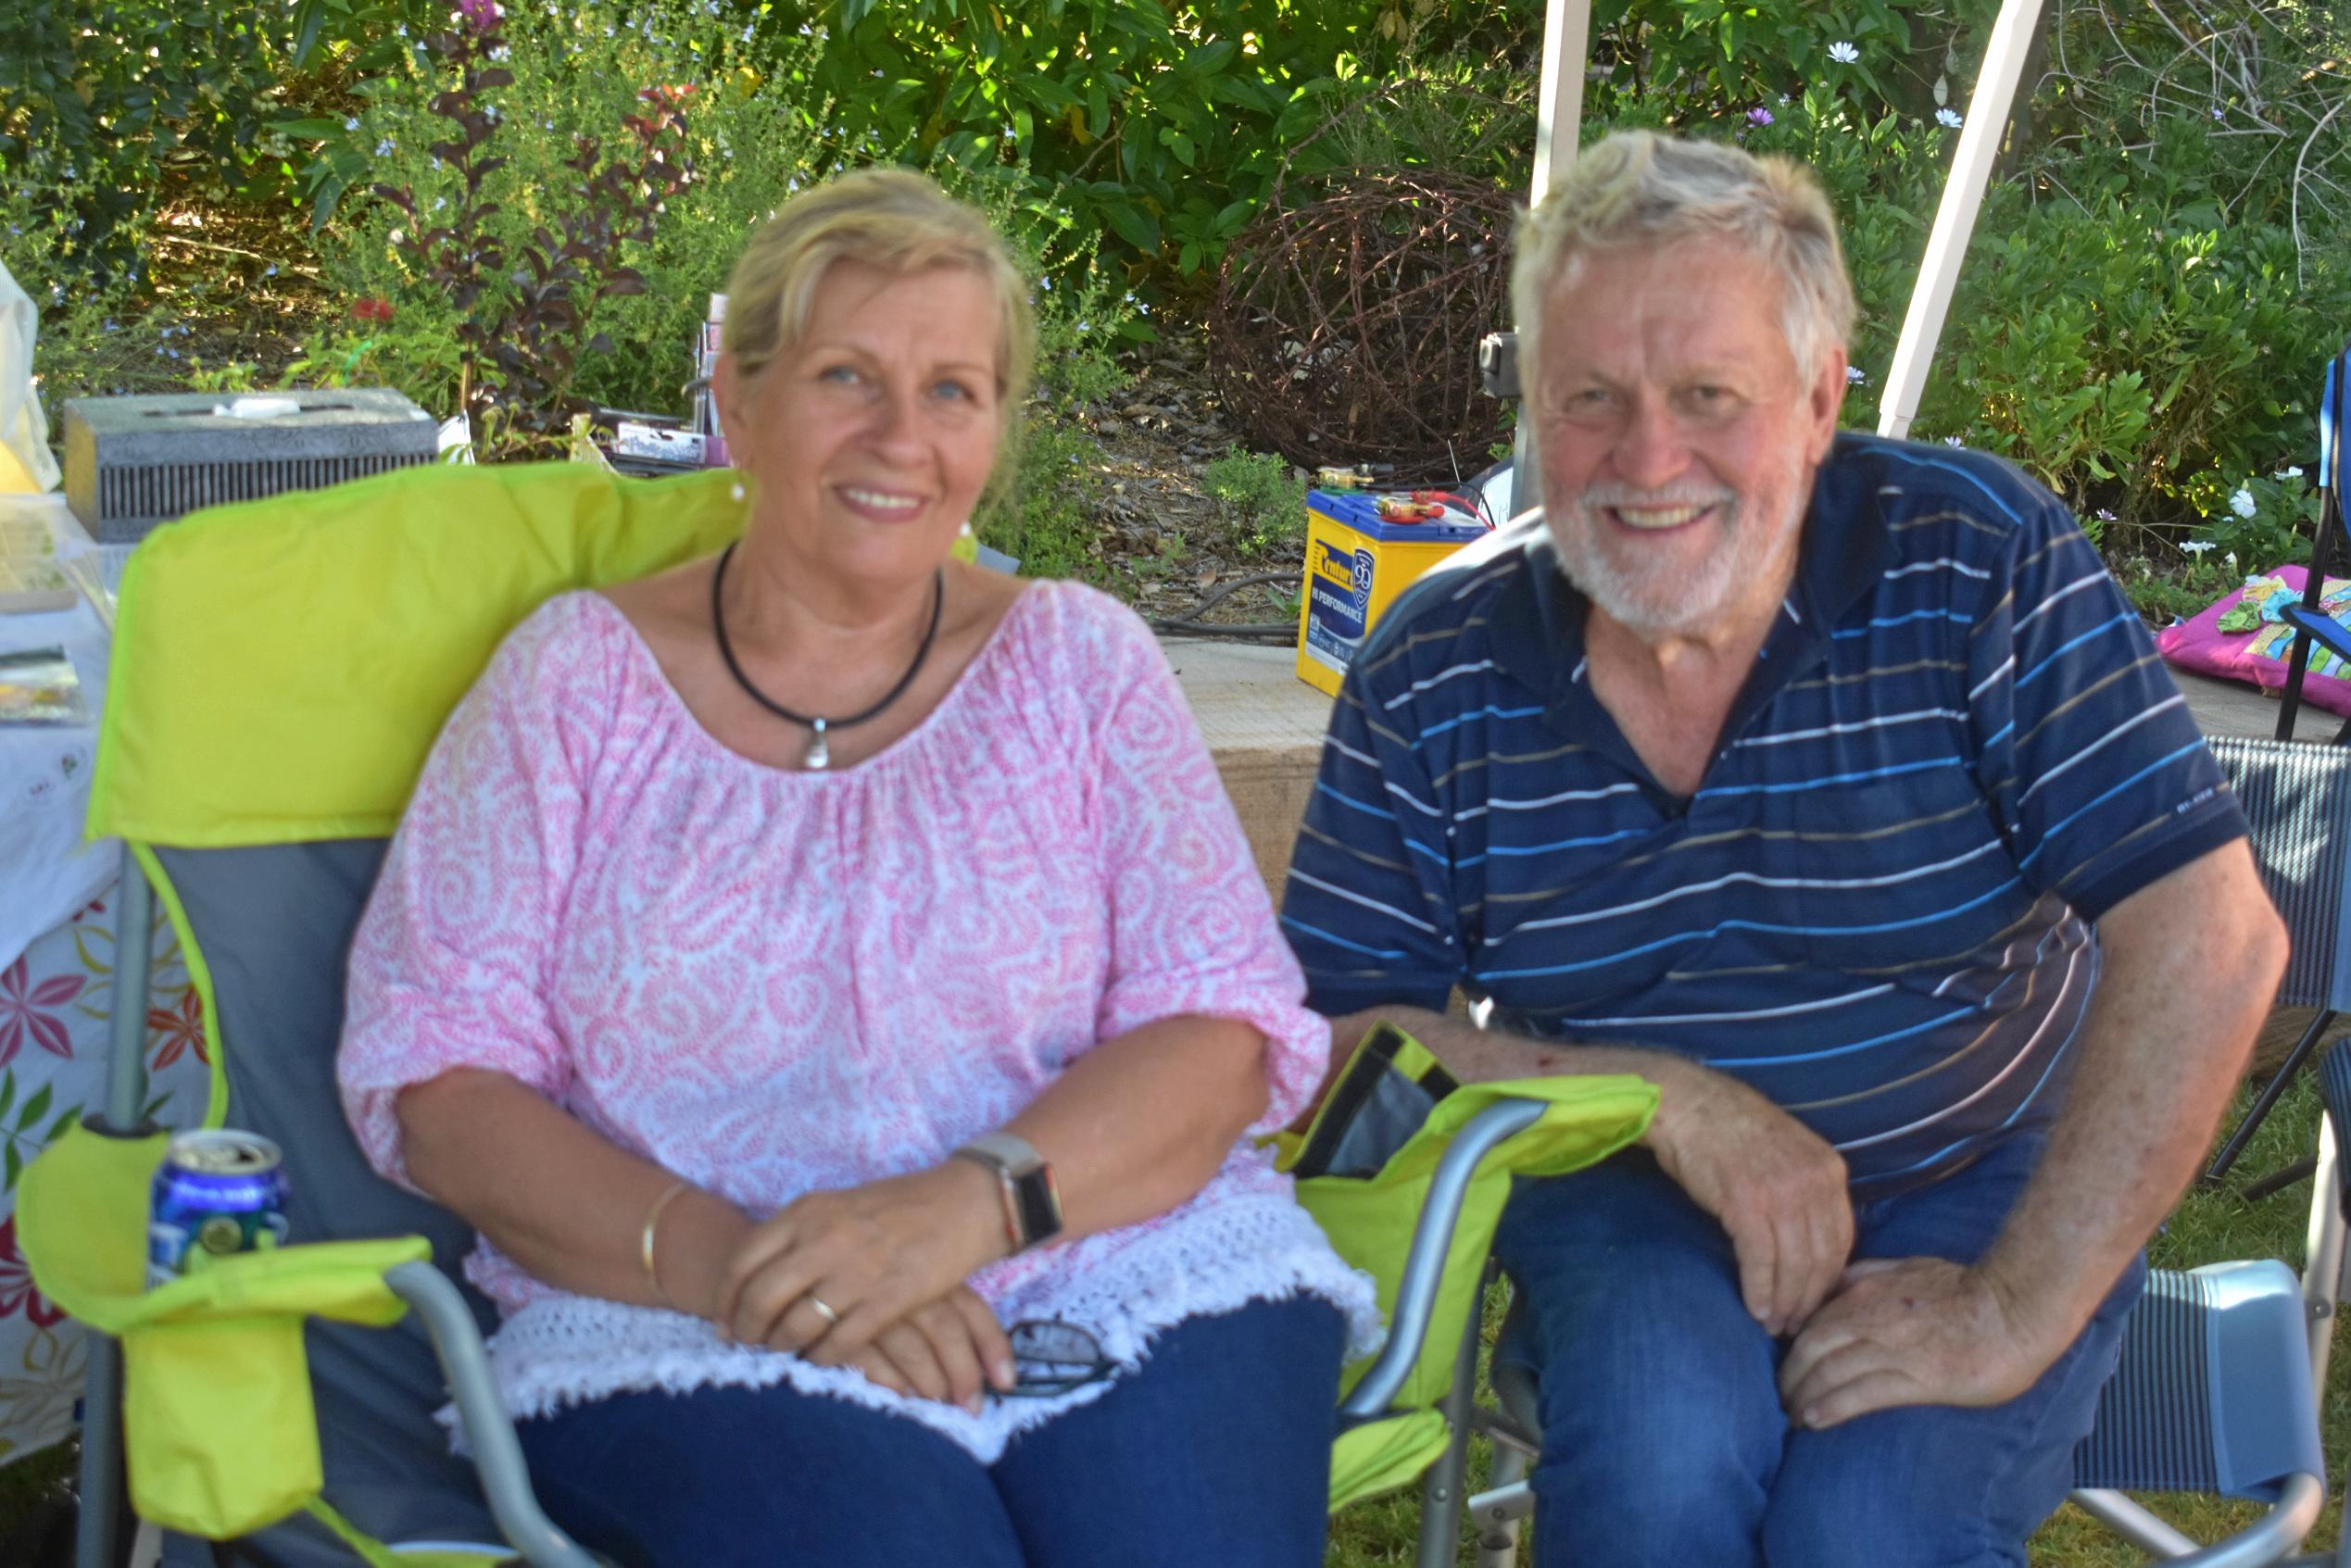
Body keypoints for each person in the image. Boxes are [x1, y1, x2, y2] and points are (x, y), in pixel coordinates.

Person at [336, 168, 1377, 1568]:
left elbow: (1217, 1029)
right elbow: (442, 1078)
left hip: (1110, 1257)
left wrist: (957, 1213)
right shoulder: (573, 686)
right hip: (680, 1309)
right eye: (848, 375)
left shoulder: (1077, 664)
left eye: (953, 389)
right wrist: (767, 1274)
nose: (903, 436)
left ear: (998, 429)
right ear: (739, 395)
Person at [1278, 130, 2287, 1567]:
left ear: (1818, 399)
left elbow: (2211, 937)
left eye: (1707, 396)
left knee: (1867, 1532)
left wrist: (2012, 1304)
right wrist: (1661, 1097)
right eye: (1590, 400)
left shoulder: (1971, 558)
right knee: (1657, 1469)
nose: (1646, 458)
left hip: (1981, 1150)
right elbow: (1328, 1045)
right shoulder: (1436, 667)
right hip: (1624, 1172)